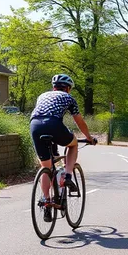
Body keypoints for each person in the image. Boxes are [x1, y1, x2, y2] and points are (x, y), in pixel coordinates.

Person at [30, 74, 96, 222]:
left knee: (46, 167)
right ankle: (67, 176)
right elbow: (79, 121)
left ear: (54, 87)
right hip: (53, 124)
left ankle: (46, 202)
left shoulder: (42, 95)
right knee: (73, 145)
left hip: (35, 126)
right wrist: (89, 138)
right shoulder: (69, 98)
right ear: (68, 88)